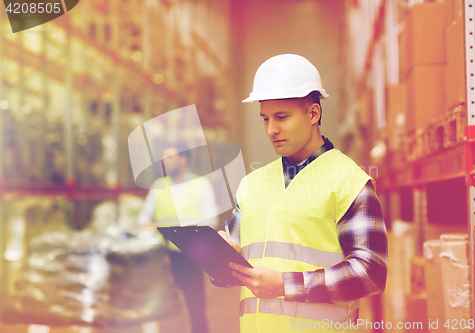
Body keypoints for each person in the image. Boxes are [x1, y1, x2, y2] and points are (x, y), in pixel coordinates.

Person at [218, 54, 388, 333]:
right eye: (265, 119)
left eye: (281, 117)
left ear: (313, 114)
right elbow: (236, 269)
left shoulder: (349, 181)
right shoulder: (252, 184)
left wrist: (285, 284)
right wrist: (219, 258)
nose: (272, 130)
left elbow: (371, 273)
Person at [138, 142, 217, 333]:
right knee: (164, 302)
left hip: (190, 254)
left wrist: (177, 229)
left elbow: (212, 220)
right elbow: (143, 219)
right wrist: (155, 228)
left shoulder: (201, 184)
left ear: (184, 160)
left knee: (194, 301)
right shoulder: (158, 186)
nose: (165, 162)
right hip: (163, 256)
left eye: (170, 157)